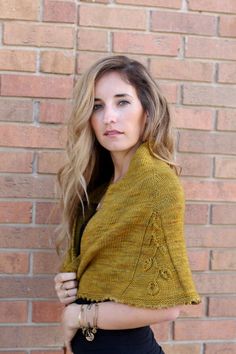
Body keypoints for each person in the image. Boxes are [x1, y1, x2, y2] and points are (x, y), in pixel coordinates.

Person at [54, 55, 200, 354]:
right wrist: (73, 284)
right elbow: (107, 272)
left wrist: (80, 315)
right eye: (97, 106)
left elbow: (169, 306)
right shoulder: (99, 186)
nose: (109, 117)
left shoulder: (157, 184)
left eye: (122, 102)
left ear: (147, 111)